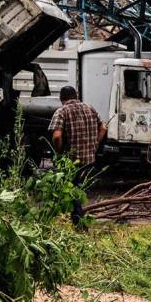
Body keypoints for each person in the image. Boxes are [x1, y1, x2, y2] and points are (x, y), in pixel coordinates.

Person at [48, 85, 106, 225]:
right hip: (89, 159)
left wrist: (59, 152)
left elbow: (56, 136)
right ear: (76, 95)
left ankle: (79, 223)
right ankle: (77, 219)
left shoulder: (62, 111)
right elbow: (103, 127)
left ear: (61, 98)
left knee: (73, 191)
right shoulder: (89, 108)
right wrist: (95, 143)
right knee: (79, 190)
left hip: (72, 161)